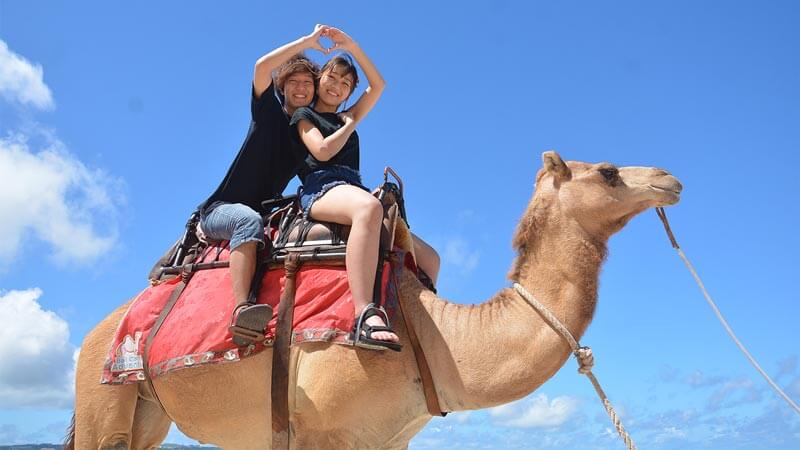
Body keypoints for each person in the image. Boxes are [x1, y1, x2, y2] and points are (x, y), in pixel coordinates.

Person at [290, 27, 440, 351]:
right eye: (333, 77)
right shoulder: (304, 115)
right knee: (368, 208)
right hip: (320, 186)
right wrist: (351, 122)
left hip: (350, 185)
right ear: (319, 78)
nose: (338, 86)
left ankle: (419, 324)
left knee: (430, 258)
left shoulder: (348, 115)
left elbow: (379, 85)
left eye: (346, 84)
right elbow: (323, 153)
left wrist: (352, 46)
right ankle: (365, 312)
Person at [197, 25, 333, 346]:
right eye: (294, 82)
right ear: (282, 88)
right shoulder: (268, 112)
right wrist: (308, 43)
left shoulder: (304, 138)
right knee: (247, 220)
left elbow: (317, 180)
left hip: (266, 209)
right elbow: (261, 68)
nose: (301, 89)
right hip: (221, 211)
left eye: (307, 84)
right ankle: (241, 308)